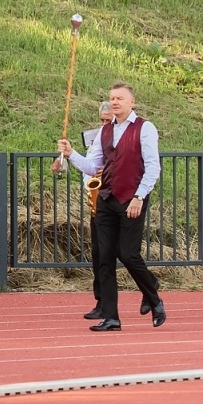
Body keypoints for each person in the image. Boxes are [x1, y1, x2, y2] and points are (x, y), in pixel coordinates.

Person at [58, 81, 164, 332]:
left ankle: (155, 299)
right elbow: (92, 167)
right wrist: (71, 153)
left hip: (131, 198)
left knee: (128, 254)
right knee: (104, 257)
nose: (115, 102)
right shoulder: (104, 132)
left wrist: (139, 197)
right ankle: (111, 317)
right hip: (106, 199)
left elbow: (153, 167)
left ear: (131, 102)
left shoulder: (145, 128)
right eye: (112, 98)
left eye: (120, 98)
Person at [79, 98, 113, 321]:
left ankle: (149, 285)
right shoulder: (96, 140)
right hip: (97, 201)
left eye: (107, 121)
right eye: (101, 120)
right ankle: (101, 302)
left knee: (125, 253)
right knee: (98, 254)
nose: (103, 125)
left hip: (116, 200)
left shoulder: (123, 137)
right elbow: (88, 167)